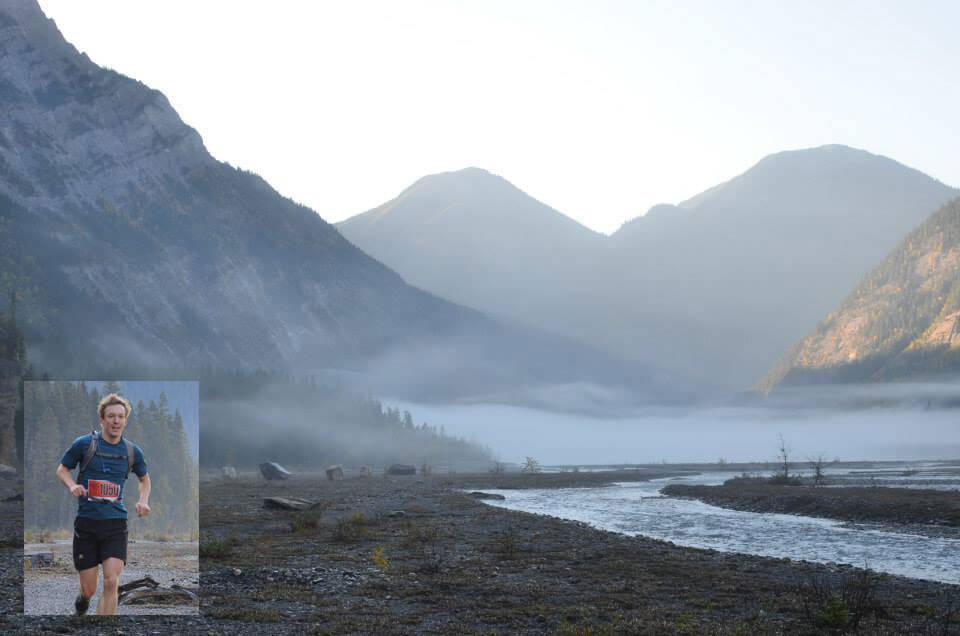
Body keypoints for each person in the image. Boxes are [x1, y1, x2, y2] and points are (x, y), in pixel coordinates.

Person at [55, 393, 150, 616]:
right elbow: (62, 469)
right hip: (86, 524)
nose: (116, 421)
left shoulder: (131, 451)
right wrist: (71, 486)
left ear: (125, 420)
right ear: (102, 419)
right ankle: (83, 599)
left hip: (116, 523)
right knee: (89, 589)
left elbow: (145, 479)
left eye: (120, 416)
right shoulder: (84, 444)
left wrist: (143, 501)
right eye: (111, 416)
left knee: (111, 582)